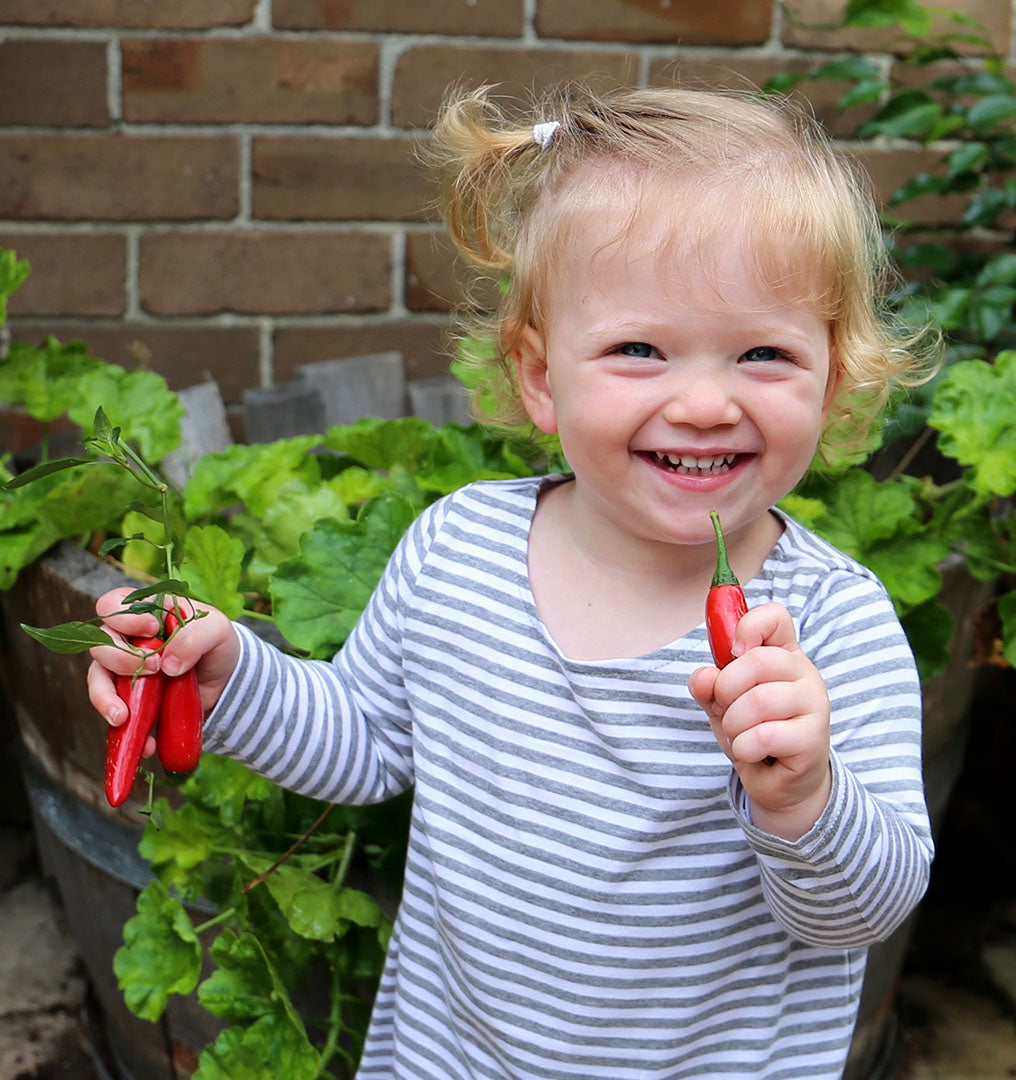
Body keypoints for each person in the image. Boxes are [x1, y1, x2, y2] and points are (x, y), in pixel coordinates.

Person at [87, 82, 937, 1080]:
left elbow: (864, 911)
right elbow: (362, 743)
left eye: (763, 353)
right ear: (540, 376)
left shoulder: (833, 626)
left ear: (831, 382)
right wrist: (228, 675)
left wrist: (806, 795)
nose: (705, 402)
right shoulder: (462, 551)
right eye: (638, 350)